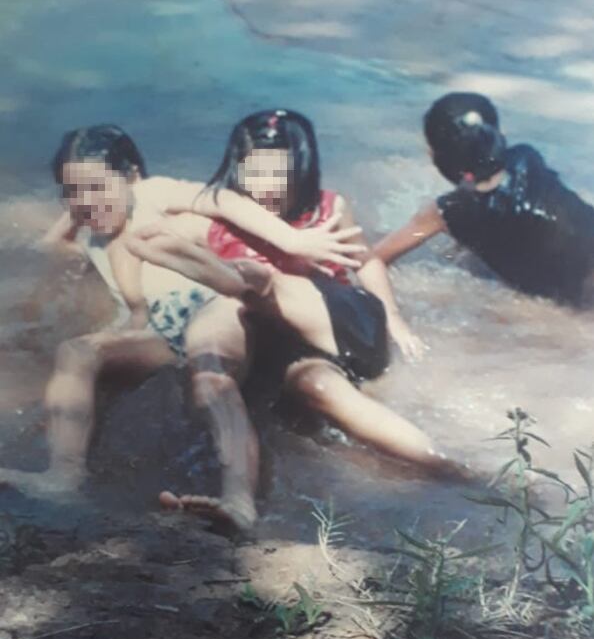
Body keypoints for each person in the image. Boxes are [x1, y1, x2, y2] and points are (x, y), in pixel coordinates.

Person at [0, 124, 360, 531]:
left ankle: (238, 500)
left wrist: (291, 242)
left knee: (209, 374)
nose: (86, 201)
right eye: (70, 191)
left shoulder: (153, 194)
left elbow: (221, 199)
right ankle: (63, 476)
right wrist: (77, 212)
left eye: (98, 187)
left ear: (132, 176)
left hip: (211, 305)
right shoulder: (93, 224)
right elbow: (52, 247)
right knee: (76, 352)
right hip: (160, 331)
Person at [128, 109, 460, 525]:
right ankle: (239, 503)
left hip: (339, 324)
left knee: (255, 286)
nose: (266, 187)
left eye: (279, 173)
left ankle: (456, 471)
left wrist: (396, 320)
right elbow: (139, 237)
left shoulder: (328, 208)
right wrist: (224, 208)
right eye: (254, 173)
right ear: (236, 170)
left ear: (302, 168)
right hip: (278, 345)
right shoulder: (214, 222)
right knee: (279, 383)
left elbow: (367, 262)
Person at [373, 92, 594, 306]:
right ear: (500, 135)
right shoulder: (528, 157)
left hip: (578, 294)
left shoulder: (447, 212)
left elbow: (374, 259)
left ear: (433, 155)